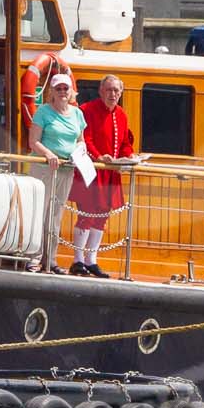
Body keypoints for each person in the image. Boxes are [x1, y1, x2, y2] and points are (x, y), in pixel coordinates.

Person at [68, 75, 133, 278]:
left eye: (116, 91)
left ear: (121, 93)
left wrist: (130, 155)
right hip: (91, 170)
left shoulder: (121, 114)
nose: (112, 94)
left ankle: (91, 260)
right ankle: (78, 260)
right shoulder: (87, 110)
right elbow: (85, 139)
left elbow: (124, 142)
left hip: (110, 173)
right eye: (109, 90)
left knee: (102, 217)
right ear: (100, 91)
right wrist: (98, 156)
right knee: (86, 215)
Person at [29, 71, 88, 273]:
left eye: (66, 88)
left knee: (56, 215)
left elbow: (80, 140)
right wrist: (48, 154)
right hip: (44, 169)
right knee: (39, 212)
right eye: (58, 88)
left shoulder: (77, 114)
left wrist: (80, 152)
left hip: (66, 169)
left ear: (71, 91)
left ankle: (51, 260)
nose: (63, 91)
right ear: (51, 92)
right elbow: (33, 141)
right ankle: (34, 258)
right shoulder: (43, 111)